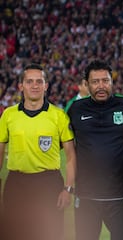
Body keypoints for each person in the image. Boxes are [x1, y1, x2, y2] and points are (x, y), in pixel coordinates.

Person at [0, 63, 76, 240]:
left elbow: (71, 157)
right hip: (16, 183)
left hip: (48, 183)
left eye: (39, 81)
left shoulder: (58, 116)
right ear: (21, 86)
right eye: (29, 81)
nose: (34, 85)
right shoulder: (8, 115)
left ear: (46, 86)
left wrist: (68, 189)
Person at [67, 60, 123, 240]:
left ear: (112, 82)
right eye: (95, 81)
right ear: (87, 84)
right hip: (86, 196)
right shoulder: (75, 109)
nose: (101, 86)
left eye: (105, 81)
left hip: (119, 195)